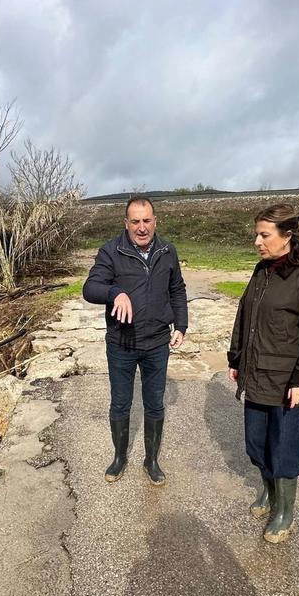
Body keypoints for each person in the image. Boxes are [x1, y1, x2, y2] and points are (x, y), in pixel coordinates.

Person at [227, 203, 299, 544]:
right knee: (256, 444)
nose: (257, 242)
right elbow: (244, 316)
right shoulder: (262, 271)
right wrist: (236, 358)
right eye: (256, 234)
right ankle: (270, 493)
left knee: (284, 450)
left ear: (287, 235)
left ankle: (285, 512)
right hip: (256, 374)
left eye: (264, 235)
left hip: (289, 382)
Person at [83, 197, 188, 486]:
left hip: (157, 343)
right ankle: (119, 457)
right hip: (122, 344)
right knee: (120, 404)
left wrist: (181, 325)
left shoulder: (167, 251)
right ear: (126, 223)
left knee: (155, 404)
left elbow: (177, 289)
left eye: (146, 221)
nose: (142, 227)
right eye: (135, 221)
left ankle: (151, 461)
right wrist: (115, 292)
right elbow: (90, 288)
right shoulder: (111, 251)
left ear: (155, 221)